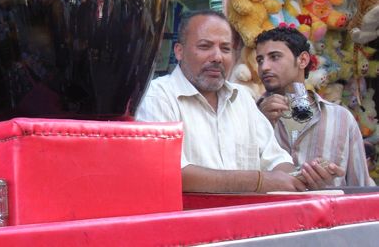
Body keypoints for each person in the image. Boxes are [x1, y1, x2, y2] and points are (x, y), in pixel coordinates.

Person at [136, 10, 341, 193]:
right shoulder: (157, 97)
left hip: (249, 230)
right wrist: (260, 181)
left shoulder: (242, 98)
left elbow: (275, 160)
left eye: (225, 49)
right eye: (205, 46)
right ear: (179, 51)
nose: (217, 57)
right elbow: (168, 172)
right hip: (187, 229)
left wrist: (302, 175)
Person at [255, 25, 374, 187]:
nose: (264, 67)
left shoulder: (341, 119)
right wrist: (260, 124)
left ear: (303, 60)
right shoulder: (249, 116)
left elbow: (360, 188)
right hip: (268, 212)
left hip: (328, 211)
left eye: (274, 57)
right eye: (260, 60)